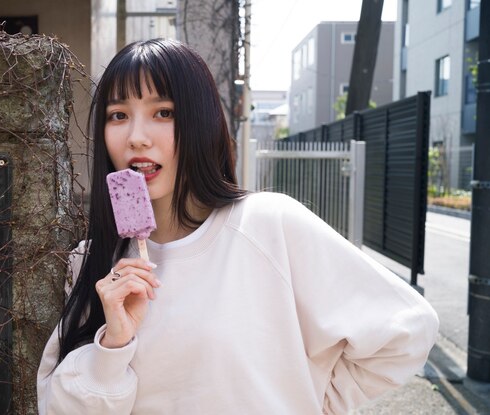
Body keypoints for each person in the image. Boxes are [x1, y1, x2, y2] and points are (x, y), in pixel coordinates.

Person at [37, 38, 439, 414]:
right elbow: (57, 406)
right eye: (118, 115)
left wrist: (313, 400)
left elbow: (406, 330)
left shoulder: (267, 226)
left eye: (164, 112)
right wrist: (113, 344)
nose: (136, 137)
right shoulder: (92, 263)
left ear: (202, 123)